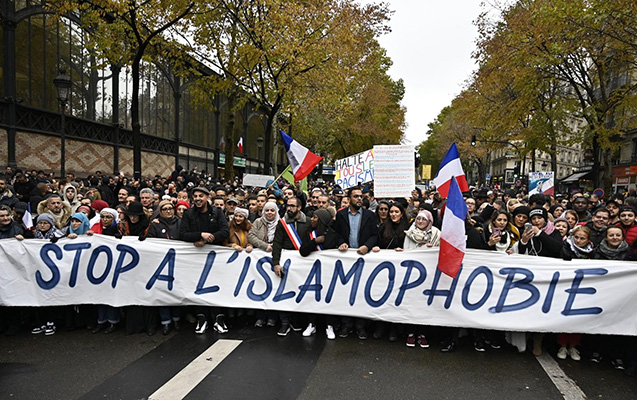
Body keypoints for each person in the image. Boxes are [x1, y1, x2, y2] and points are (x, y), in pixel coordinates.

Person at [179, 186, 229, 334]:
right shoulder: (188, 213)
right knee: (198, 287)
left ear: (208, 197)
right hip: (196, 258)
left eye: (201, 196)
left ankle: (218, 318)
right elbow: (183, 234)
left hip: (215, 257)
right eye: (195, 196)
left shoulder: (217, 212)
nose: (198, 199)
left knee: (215, 286)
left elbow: (224, 232)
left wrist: (206, 240)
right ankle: (202, 318)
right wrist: (200, 235)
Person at [334, 187, 378, 339]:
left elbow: (375, 235)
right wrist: (341, 242)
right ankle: (346, 325)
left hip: (363, 259)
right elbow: (337, 233)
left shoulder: (370, 215)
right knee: (346, 292)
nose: (359, 199)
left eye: (361, 196)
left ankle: (360, 326)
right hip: (346, 259)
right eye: (356, 196)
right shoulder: (340, 215)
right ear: (349, 198)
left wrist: (367, 246)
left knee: (360, 293)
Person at [271, 195, 311, 336]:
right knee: (284, 293)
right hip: (286, 262)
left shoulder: (308, 222)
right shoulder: (282, 223)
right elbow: (277, 243)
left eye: (292, 206)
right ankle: (285, 322)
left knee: (298, 292)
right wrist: (276, 263)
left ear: (299, 207)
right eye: (288, 205)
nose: (289, 208)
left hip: (302, 264)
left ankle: (296, 320)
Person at [299, 208, 341, 339]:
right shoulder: (309, 233)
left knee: (329, 298)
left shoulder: (333, 234)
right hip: (312, 273)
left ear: (322, 220)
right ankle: (312, 324)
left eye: (315, 217)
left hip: (329, 273)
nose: (311, 219)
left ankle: (329, 325)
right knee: (312, 298)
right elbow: (303, 251)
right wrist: (314, 242)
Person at [402, 209, 440, 348]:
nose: (420, 221)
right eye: (418, 219)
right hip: (412, 275)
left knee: (424, 305)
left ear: (429, 221)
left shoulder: (436, 234)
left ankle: (423, 333)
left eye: (424, 219)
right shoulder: (409, 233)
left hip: (429, 275)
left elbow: (441, 253)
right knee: (411, 303)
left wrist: (433, 249)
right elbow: (406, 251)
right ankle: (411, 332)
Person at [145, 200, 182, 335]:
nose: (168, 211)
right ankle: (166, 321)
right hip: (160, 265)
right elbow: (150, 242)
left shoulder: (180, 223)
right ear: (160, 212)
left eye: (170, 208)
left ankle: (176, 319)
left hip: (178, 264)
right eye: (164, 209)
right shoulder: (155, 225)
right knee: (162, 294)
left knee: (176, 293)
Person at [87, 208, 122, 334]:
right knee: (99, 295)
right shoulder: (95, 228)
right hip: (97, 266)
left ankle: (113, 321)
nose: (105, 219)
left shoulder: (118, 229)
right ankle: (101, 321)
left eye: (108, 217)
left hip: (113, 267)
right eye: (103, 217)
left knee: (111, 295)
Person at [248, 201, 280, 328]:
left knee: (274, 287)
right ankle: (260, 317)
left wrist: (275, 247)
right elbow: (251, 236)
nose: (269, 213)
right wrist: (264, 246)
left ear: (276, 212)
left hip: (275, 259)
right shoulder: (258, 222)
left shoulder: (281, 223)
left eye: (272, 210)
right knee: (260, 288)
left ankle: (272, 317)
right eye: (267, 210)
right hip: (260, 260)